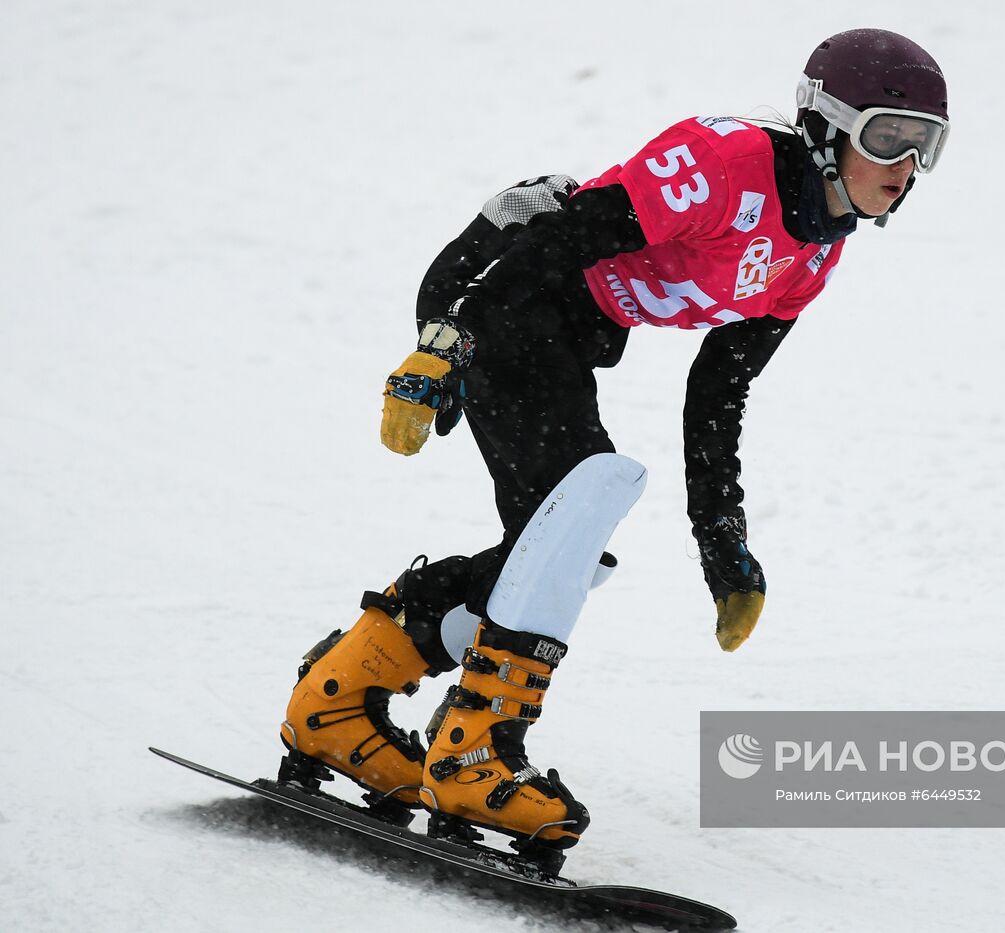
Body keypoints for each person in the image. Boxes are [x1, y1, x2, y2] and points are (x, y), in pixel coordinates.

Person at [277, 28, 950, 873]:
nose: (906, 164)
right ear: (825, 124)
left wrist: (722, 536)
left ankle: (335, 702)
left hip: (567, 320)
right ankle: (468, 756)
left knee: (558, 554)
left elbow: (719, 392)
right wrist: (446, 342)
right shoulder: (725, 164)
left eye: (928, 145)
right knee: (573, 514)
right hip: (505, 280)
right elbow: (561, 240)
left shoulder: (814, 249)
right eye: (889, 135)